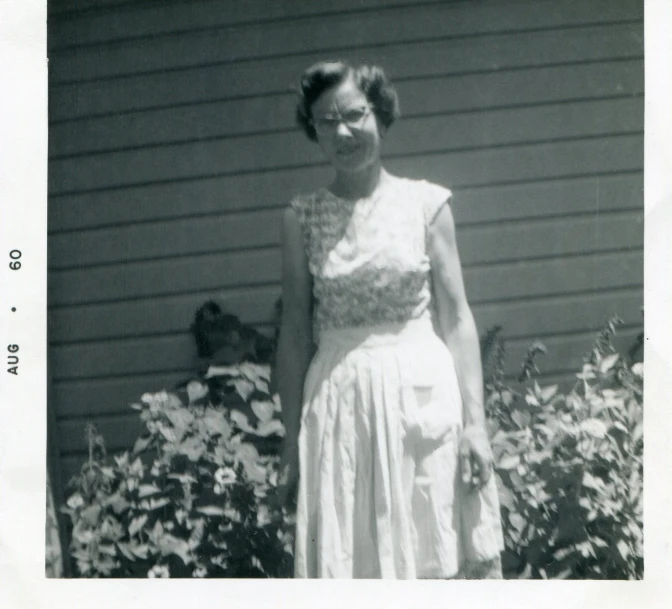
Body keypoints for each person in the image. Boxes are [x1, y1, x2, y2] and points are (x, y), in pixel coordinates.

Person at [275, 60, 504, 579]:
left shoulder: (427, 204)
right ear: (312, 129)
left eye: (354, 115)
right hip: (339, 405)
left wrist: (475, 425)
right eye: (325, 121)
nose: (342, 132)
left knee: (434, 547)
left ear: (380, 113)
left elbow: (458, 319)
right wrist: (291, 440)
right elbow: (292, 336)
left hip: (421, 399)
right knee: (355, 557)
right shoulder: (301, 217)